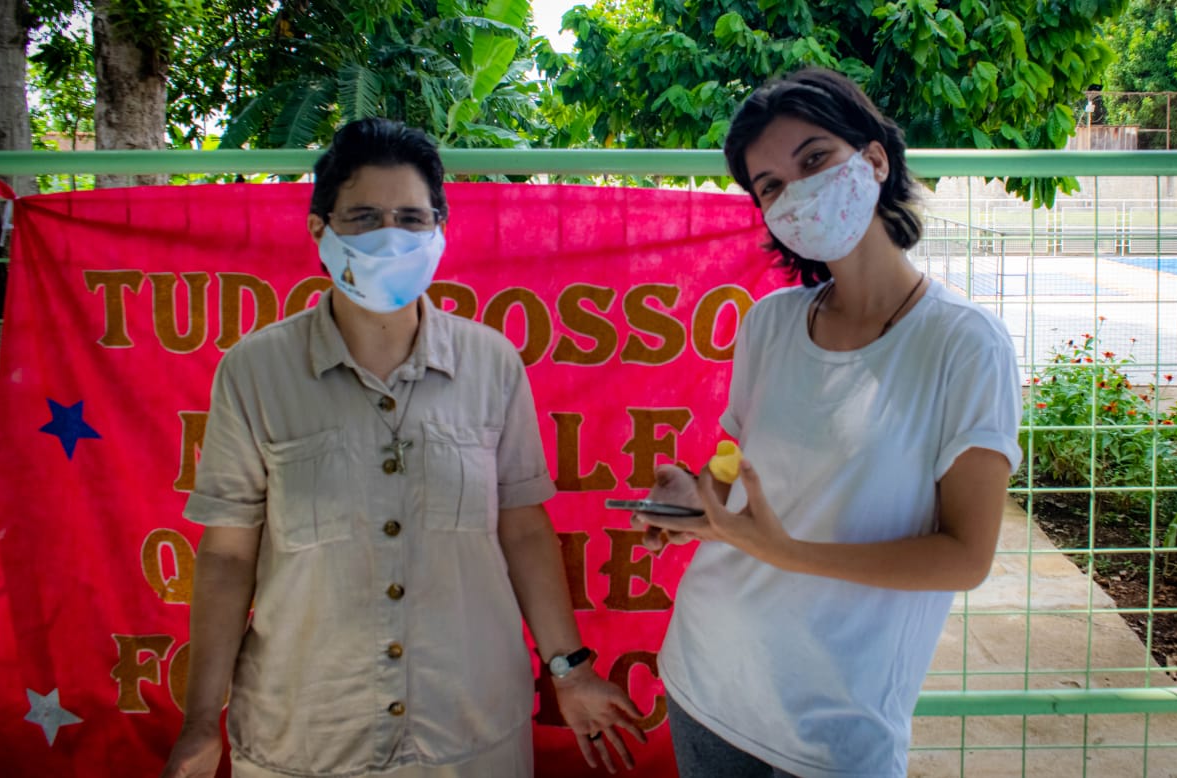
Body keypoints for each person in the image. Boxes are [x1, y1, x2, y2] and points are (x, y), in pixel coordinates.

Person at [160, 117, 644, 778]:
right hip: (303, 735)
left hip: (470, 730)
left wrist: (570, 668)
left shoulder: (492, 364)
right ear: (319, 230)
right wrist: (198, 720)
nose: (390, 236)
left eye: (411, 218)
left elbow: (524, 530)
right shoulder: (254, 371)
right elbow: (226, 555)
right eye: (363, 217)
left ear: (439, 230)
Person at [631, 67, 1023, 777]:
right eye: (770, 186)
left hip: (835, 727)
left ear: (874, 159)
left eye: (814, 159)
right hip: (705, 677)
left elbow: (964, 557)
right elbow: (737, 457)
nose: (797, 191)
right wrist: (700, 495)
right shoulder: (769, 322)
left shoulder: (965, 344)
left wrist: (785, 552)